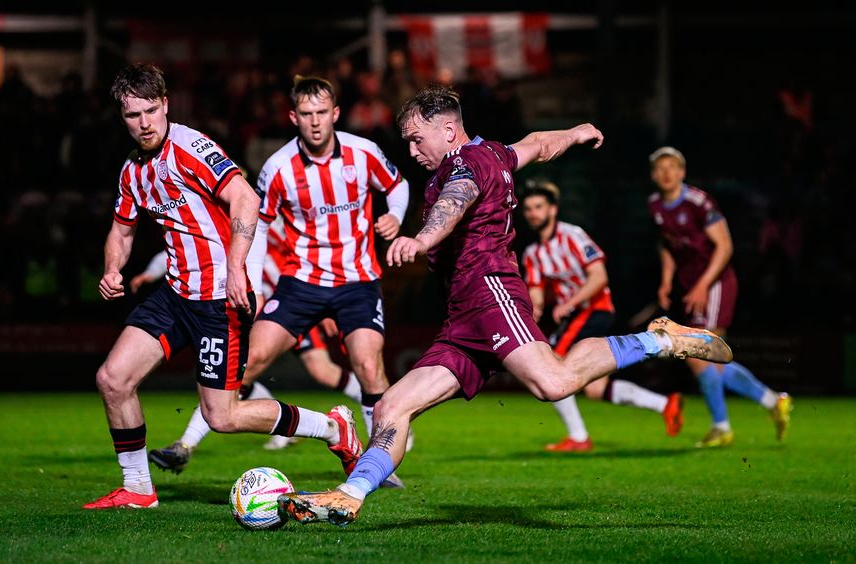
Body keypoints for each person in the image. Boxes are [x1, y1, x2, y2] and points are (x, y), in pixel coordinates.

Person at [276, 85, 732, 527]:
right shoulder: (495, 153)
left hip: (491, 292)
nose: (412, 150)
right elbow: (536, 144)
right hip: (461, 318)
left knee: (553, 383)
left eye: (417, 138)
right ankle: (349, 495)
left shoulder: (466, 165)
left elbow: (454, 205)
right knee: (393, 404)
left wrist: (422, 239)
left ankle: (659, 340)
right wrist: (574, 134)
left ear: (448, 130)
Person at [82, 63, 362, 510]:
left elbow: (245, 198)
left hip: (218, 299)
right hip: (176, 295)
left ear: (166, 104)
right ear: (122, 116)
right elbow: (121, 230)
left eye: (152, 110)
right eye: (134, 115)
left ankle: (331, 428)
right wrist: (113, 268)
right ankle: (137, 489)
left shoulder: (190, 148)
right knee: (113, 380)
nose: (145, 122)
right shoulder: (133, 171)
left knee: (223, 416)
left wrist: (235, 269)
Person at [233, 76, 411, 483]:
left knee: (368, 365)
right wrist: (257, 285)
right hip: (300, 282)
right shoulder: (278, 166)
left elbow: (398, 185)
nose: (315, 122)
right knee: (249, 362)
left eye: (321, 113)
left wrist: (395, 217)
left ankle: (378, 463)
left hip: (357, 280)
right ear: (293, 116)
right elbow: (260, 226)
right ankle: (191, 441)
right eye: (306, 114)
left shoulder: (364, 152)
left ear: (335, 113)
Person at [135, 219, 369, 470]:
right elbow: (183, 245)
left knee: (319, 371)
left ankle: (373, 414)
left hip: (289, 307)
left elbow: (312, 250)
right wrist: (151, 271)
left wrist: (321, 306)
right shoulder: (223, 218)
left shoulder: (270, 219)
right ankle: (186, 444)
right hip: (260, 311)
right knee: (243, 375)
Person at [520, 180, 684, 452]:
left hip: (594, 310)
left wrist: (571, 302)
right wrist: (533, 311)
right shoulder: (532, 254)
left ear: (553, 209)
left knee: (553, 364)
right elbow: (536, 293)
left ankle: (579, 437)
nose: (533, 213)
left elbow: (599, 276)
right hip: (574, 317)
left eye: (538, 207)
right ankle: (666, 405)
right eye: (528, 209)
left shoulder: (572, 236)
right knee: (595, 389)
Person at [647, 146, 792, 448]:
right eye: (660, 168)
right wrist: (665, 280)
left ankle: (722, 426)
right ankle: (772, 401)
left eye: (672, 166)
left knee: (700, 357)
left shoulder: (697, 201)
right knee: (711, 362)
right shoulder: (656, 206)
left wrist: (703, 285)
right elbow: (667, 244)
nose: (666, 172)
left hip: (714, 284)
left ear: (682, 172)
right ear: (653, 175)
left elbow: (725, 246)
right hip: (691, 287)